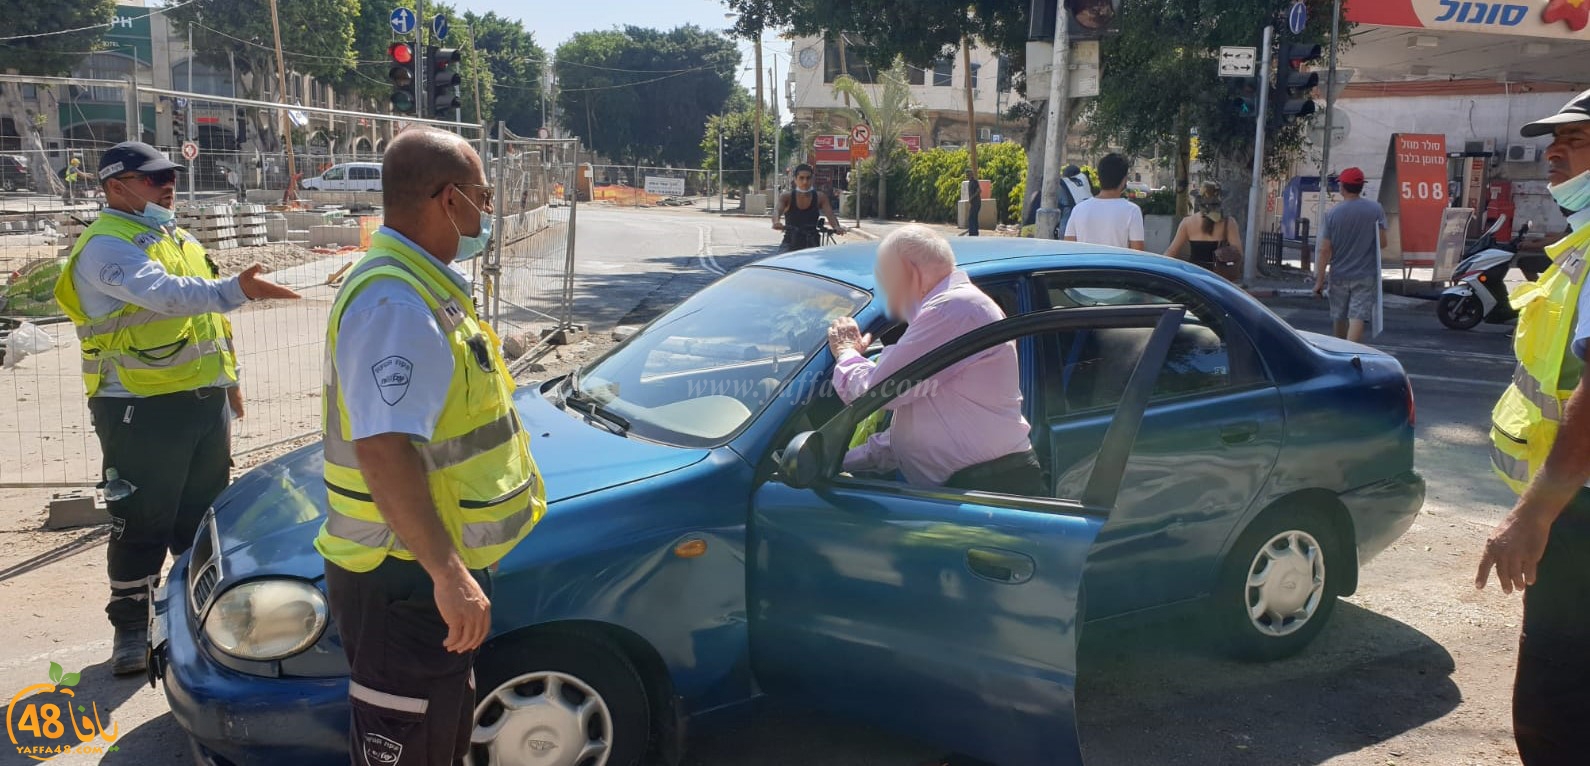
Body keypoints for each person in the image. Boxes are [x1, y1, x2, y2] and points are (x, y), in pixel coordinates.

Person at [316, 127, 547, 766]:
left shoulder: (423, 287)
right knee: (411, 740)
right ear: (450, 200)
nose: (489, 212)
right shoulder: (396, 303)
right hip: (404, 577)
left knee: (438, 734)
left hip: (421, 570)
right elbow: (384, 450)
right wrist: (448, 574)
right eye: (483, 196)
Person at [51, 141, 299, 674]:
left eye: (171, 175)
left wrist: (228, 384)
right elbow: (167, 296)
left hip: (200, 401)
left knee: (204, 519)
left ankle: (200, 622)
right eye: (153, 178)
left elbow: (209, 323)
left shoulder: (175, 235)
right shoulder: (104, 246)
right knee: (140, 521)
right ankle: (131, 630)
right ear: (115, 186)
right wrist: (240, 289)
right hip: (140, 406)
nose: (168, 185)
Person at [1477, 87, 1590, 766]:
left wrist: (1536, 512)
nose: (1554, 152)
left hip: (1582, 517)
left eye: (1576, 141)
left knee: (1556, 703)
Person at [825, 224, 1039, 494]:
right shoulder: (956, 308)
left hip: (987, 487)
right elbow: (917, 432)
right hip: (973, 486)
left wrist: (845, 352)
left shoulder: (954, 308)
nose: (885, 292)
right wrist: (836, 462)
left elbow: (880, 392)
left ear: (908, 271)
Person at [1312, 167, 1387, 342]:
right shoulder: (1376, 209)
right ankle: (1350, 352)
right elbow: (1382, 243)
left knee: (1339, 315)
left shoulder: (1332, 214)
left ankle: (1339, 349)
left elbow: (1324, 250)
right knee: (1357, 316)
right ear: (1361, 187)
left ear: (1342, 187)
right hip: (1365, 274)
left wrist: (1319, 281)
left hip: (1339, 273)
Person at [1064, 153, 1145, 250]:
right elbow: (1138, 253)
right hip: (1115, 265)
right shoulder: (1132, 211)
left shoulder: (1078, 209)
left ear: (1099, 177)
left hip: (1085, 265)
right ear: (1124, 180)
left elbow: (1068, 248)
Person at [1165, 181, 1243, 272]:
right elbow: (1238, 254)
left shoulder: (1187, 222)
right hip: (1219, 276)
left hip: (1194, 274)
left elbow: (1171, 252)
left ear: (1199, 200)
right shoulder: (1229, 223)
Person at [774, 163, 845, 251]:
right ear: (795, 179)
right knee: (780, 262)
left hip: (812, 241)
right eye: (801, 178)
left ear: (812, 179)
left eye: (808, 178)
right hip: (790, 241)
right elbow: (777, 210)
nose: (805, 182)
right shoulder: (787, 196)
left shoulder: (820, 197)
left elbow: (830, 214)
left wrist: (836, 227)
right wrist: (776, 222)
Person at [965, 168, 982, 237]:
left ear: (971, 175)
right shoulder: (970, 182)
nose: (967, 176)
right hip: (974, 203)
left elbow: (979, 191)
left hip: (976, 203)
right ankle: (974, 232)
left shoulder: (974, 182)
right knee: (974, 217)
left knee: (971, 217)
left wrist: (971, 198)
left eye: (968, 174)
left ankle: (972, 233)